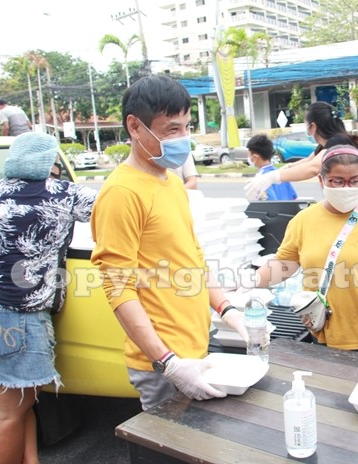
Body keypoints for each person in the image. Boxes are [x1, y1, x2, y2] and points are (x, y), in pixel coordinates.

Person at [90, 74, 248, 410]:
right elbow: (118, 288)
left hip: (197, 346)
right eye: (171, 129)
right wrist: (168, 361)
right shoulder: (122, 193)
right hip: (164, 364)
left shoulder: (172, 183)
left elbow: (193, 258)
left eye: (187, 127)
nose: (183, 139)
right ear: (135, 127)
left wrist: (227, 309)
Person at [0, 132, 96, 464]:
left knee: (20, 400)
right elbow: (118, 211)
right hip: (6, 318)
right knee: (7, 414)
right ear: (51, 162)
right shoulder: (63, 193)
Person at [247, 143, 358, 351]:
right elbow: (286, 263)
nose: (346, 188)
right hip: (318, 333)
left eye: (355, 181)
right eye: (337, 181)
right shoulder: (304, 220)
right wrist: (254, 279)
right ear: (321, 180)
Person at [244, 101, 358, 204]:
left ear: (312, 126)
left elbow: (313, 168)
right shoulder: (325, 145)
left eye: (305, 123)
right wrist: (287, 167)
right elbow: (307, 161)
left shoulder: (338, 143)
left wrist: (273, 177)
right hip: (347, 205)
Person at [246, 134, 297, 200]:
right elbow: (294, 197)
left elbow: (270, 205)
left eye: (249, 154)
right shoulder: (280, 174)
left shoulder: (262, 179)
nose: (248, 157)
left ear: (255, 157)